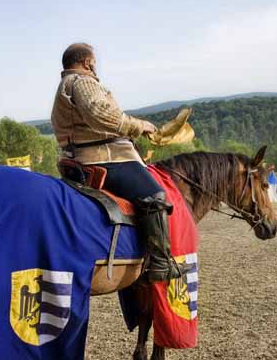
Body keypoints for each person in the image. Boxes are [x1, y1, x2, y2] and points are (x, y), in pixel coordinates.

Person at [50, 43, 181, 282]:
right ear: (88, 62)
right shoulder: (82, 82)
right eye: (94, 62)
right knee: (155, 196)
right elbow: (100, 113)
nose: (95, 67)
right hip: (104, 157)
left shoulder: (64, 86)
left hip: (77, 158)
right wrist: (138, 125)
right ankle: (161, 263)